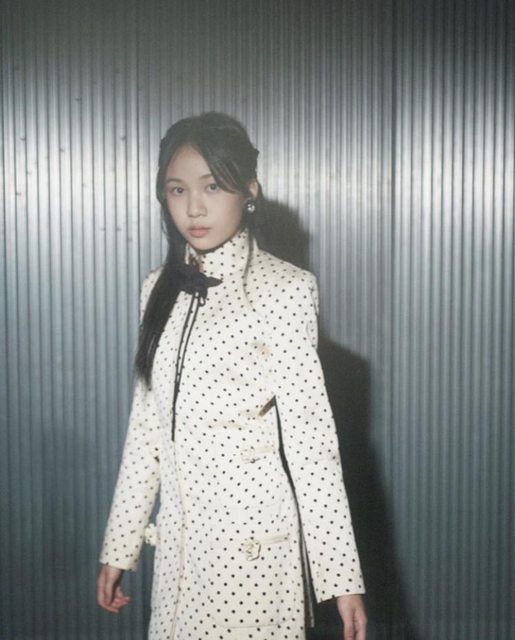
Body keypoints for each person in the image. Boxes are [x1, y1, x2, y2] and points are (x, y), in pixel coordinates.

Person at [97, 112, 367, 640]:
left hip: (253, 555)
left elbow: (312, 447)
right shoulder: (157, 289)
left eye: (213, 186)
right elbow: (147, 429)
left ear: (249, 190)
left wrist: (342, 581)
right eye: (177, 190)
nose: (194, 208)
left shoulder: (285, 289)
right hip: (180, 555)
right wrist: (119, 547)